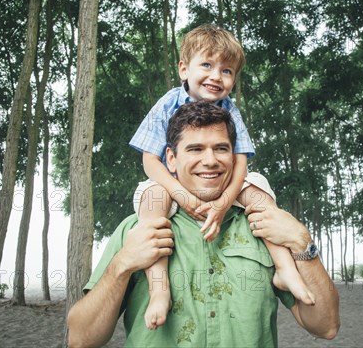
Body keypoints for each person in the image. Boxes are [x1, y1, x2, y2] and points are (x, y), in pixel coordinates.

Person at [67, 101, 340, 347]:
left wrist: (303, 243)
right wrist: (122, 264)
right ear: (171, 159)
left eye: (221, 149)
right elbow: (80, 339)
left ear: (234, 158)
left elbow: (325, 326)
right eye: (195, 149)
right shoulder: (135, 229)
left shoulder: (267, 226)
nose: (210, 161)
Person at [129, 24, 314, 329]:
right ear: (183, 69)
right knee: (152, 199)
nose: (216, 76)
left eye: (227, 71)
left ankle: (284, 269)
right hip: (172, 183)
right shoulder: (167, 104)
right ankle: (159, 287)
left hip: (225, 184)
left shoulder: (231, 111)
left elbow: (241, 161)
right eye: (207, 65)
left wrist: (225, 202)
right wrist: (181, 194)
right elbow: (150, 160)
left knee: (261, 193)